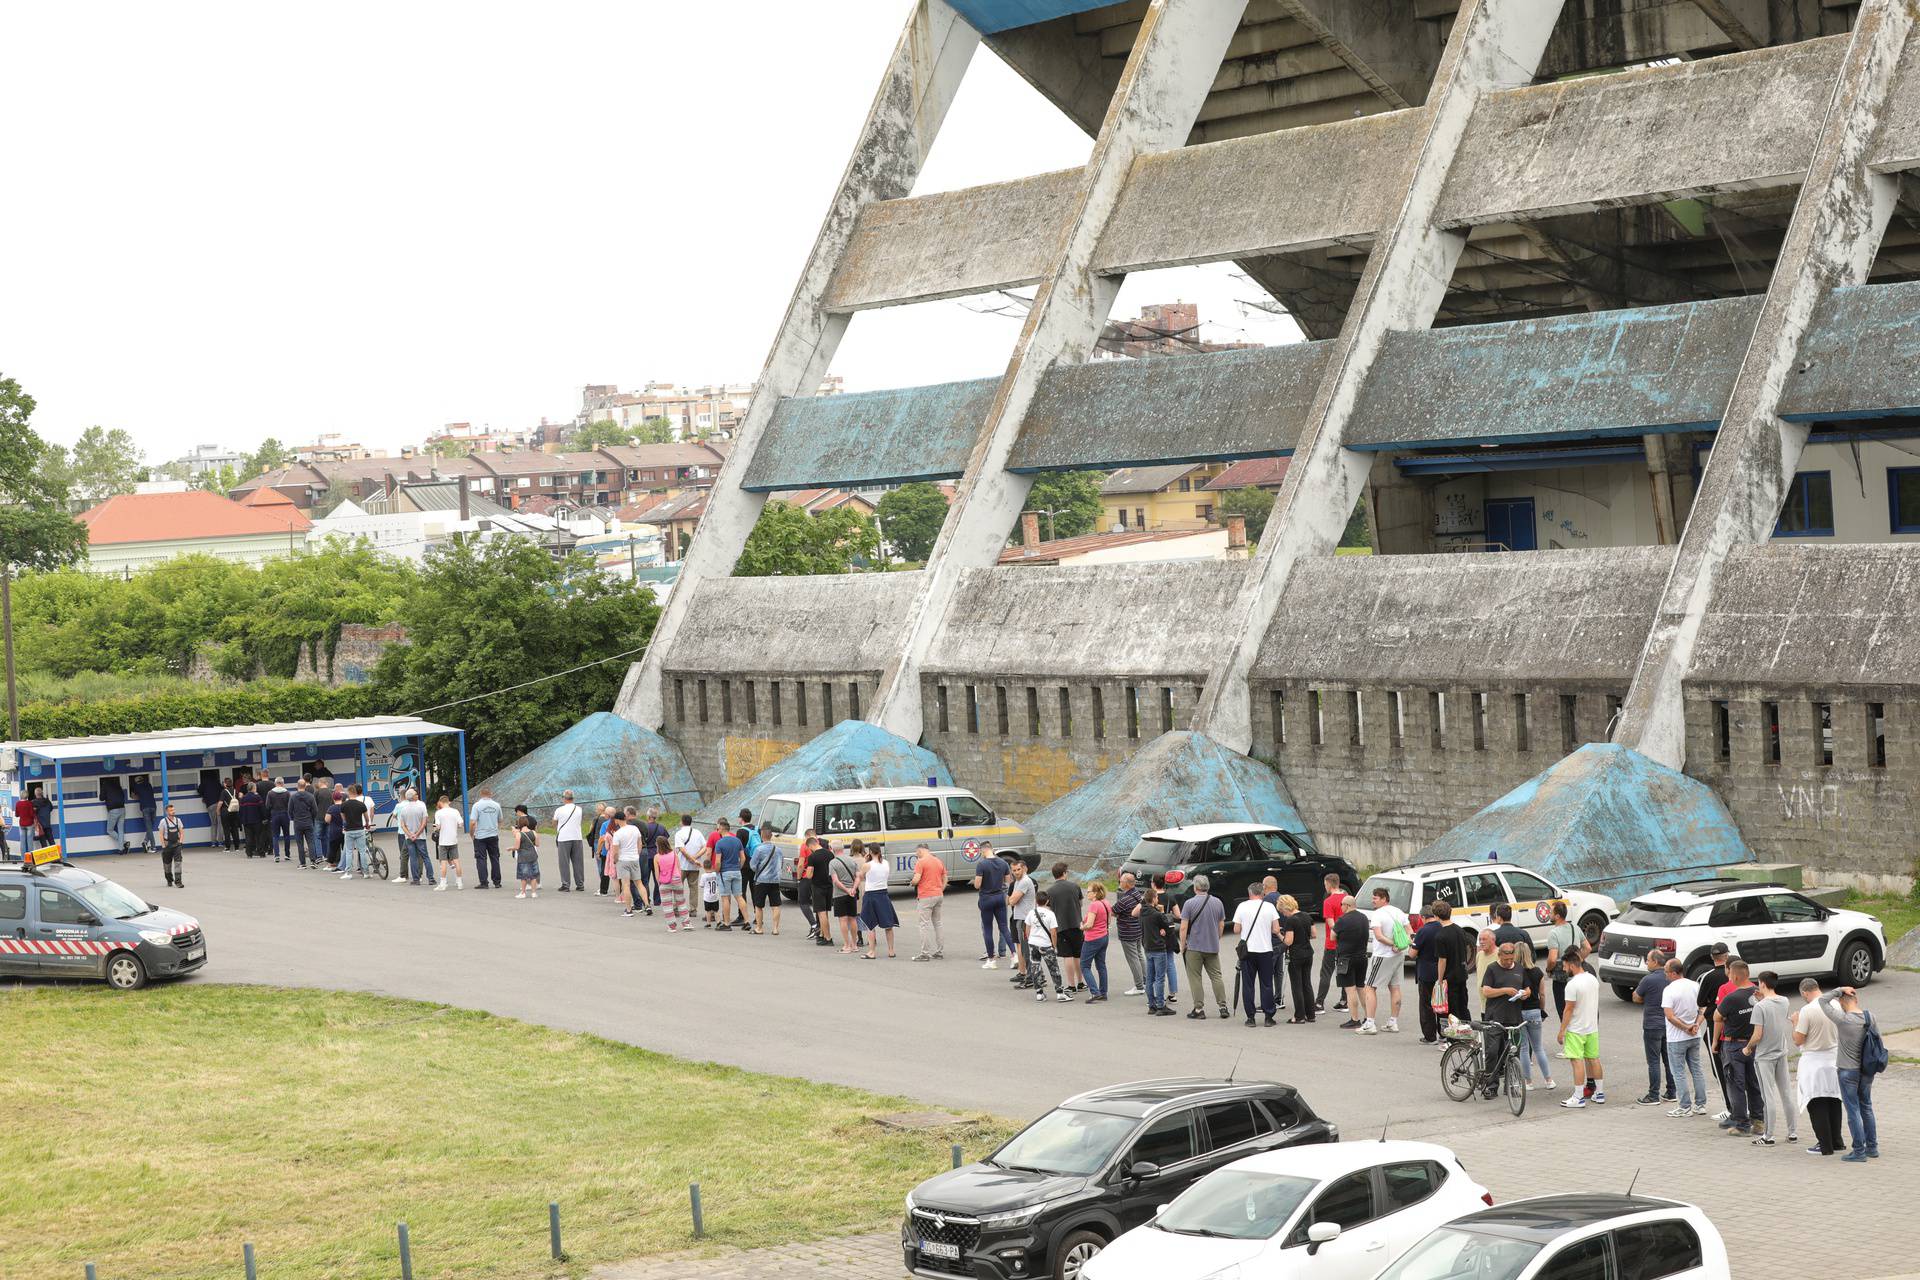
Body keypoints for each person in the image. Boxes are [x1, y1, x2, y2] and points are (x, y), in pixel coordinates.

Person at [1820, 985, 1879, 1161]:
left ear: (1841, 1003)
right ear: (1856, 1000)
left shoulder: (1843, 1019)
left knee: (1853, 1110)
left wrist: (1838, 989)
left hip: (1848, 1071)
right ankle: (1872, 1147)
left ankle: (1859, 1152)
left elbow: (1822, 1000)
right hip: (1867, 1071)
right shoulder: (1870, 1017)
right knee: (1867, 1107)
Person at [1743, 970, 1798, 1147]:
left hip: (1765, 1056)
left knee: (1768, 1096)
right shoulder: (1784, 1000)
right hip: (1781, 1051)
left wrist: (1748, 1047)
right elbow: (1775, 1016)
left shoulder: (1759, 1007)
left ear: (1763, 984)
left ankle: (1768, 1136)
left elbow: (1757, 1034)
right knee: (1786, 1093)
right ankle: (1792, 1133)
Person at [1715, 960, 1765, 1136]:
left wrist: (1715, 1042)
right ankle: (1759, 1122)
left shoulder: (1732, 998)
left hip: (1734, 1045)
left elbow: (1716, 1017)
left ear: (1735, 976)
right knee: (1754, 1084)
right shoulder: (1760, 994)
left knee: (1736, 1085)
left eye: (1730, 975)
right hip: (1754, 1044)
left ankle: (1742, 1124)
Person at [1795, 978, 1844, 1155]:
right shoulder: (1835, 1004)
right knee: (1834, 1100)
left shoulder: (1807, 1010)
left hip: (1814, 1061)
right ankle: (1837, 1141)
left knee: (1817, 1102)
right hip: (1834, 1057)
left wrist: (1794, 1023)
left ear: (1804, 992)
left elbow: (1799, 1039)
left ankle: (1825, 1145)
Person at [1558, 950, 1606, 1107]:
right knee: (1594, 1059)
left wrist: (1561, 1030)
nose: (1564, 969)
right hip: (1592, 1027)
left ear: (1572, 965)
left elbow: (1568, 1009)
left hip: (1576, 1029)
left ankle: (1578, 1097)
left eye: (1565, 966)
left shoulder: (1572, 985)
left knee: (1576, 1061)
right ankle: (1599, 1093)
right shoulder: (1592, 979)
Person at [1178, 875, 1230, 1020]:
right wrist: (1217, 938)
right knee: (1216, 976)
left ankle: (1199, 1008)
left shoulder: (1189, 903)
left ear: (1195, 887)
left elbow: (1183, 927)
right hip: (1212, 946)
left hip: (1194, 946)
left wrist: (1183, 945)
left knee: (1195, 978)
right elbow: (1221, 924)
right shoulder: (1218, 902)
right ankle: (1223, 1006)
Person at [1479, 939, 1527, 1095]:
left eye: (1511, 959)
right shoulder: (1492, 969)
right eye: (1505, 959)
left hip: (1514, 1019)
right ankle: (1491, 1087)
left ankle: (1512, 1086)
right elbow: (1486, 991)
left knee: (1514, 1053)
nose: (1508, 962)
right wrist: (1505, 990)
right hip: (1495, 1017)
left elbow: (1527, 988)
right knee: (1492, 1052)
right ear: (1499, 955)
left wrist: (1525, 994)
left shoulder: (1519, 969)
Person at [1229, 881, 1280, 1027]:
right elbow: (1275, 929)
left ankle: (1250, 1017)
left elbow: (1236, 930)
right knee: (1266, 983)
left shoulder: (1242, 906)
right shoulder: (1269, 906)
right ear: (1262, 893)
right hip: (1265, 949)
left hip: (1248, 951)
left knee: (1248, 984)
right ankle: (1268, 1016)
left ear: (1249, 893)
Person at [1660, 958, 1706, 1117]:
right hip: (1695, 1035)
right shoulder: (1695, 985)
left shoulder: (1669, 990)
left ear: (1673, 973)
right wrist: (1696, 1025)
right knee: (1697, 1069)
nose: (1665, 974)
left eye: (1666, 971)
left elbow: (1669, 1016)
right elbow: (1703, 1008)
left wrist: (1686, 1028)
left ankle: (1684, 1106)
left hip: (1676, 1038)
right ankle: (1700, 1104)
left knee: (1678, 1072)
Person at [1632, 949, 1677, 1106]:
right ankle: (1672, 1092)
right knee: (1668, 1059)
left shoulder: (1648, 980)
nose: (1646, 963)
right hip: (1670, 1024)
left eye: (1648, 960)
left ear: (1656, 962)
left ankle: (1653, 1095)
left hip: (1652, 1025)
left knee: (1653, 1061)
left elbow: (1636, 997)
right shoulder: (1671, 978)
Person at [1359, 886, 1407, 1035]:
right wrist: (1400, 946)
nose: (1373, 900)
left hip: (1382, 955)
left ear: (1384, 899)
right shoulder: (1398, 911)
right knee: (1395, 987)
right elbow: (1409, 931)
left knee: (1369, 987)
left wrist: (1392, 944)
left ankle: (1370, 1023)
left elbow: (1378, 936)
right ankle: (1393, 1022)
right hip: (1398, 955)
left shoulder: (1378, 914)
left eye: (1375, 898)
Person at [1696, 943, 1733, 1113]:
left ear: (1712, 957)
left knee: (1718, 1068)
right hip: (1735, 1025)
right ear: (1727, 956)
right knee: (1737, 1067)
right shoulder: (1736, 974)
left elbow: (1701, 1001)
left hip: (1714, 1025)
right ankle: (1741, 1105)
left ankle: (1730, 1107)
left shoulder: (1708, 976)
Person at [1517, 946, 1554, 1090]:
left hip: (1519, 1012)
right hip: (1534, 1011)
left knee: (1524, 1048)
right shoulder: (1537, 972)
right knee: (1538, 1047)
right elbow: (1542, 994)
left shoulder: (1515, 972)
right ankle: (1549, 1080)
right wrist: (1541, 1010)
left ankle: (1528, 1082)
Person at [1333, 894, 1372, 1029]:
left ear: (1347, 905)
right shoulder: (1363, 918)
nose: (1341, 907)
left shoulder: (1342, 920)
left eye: (1342, 905)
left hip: (1346, 958)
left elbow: (1333, 936)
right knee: (1361, 988)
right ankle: (1368, 1017)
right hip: (1362, 957)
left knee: (1350, 990)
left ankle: (1354, 1019)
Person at [973, 844, 1013, 967]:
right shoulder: (1003, 863)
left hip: (987, 898)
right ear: (992, 849)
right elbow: (1008, 880)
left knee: (988, 929)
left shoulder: (982, 864)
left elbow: (977, 885)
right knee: (1004, 927)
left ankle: (991, 959)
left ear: (983, 850)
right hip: (1000, 897)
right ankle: (1015, 954)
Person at [1434, 901, 1470, 1038]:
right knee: (1463, 1004)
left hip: (1450, 976)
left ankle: (1454, 1035)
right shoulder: (1460, 930)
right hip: (1462, 973)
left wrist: (1439, 979)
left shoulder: (1441, 936)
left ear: (1437, 916)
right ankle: (1467, 1030)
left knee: (1451, 1008)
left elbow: (1442, 960)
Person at [1025, 889, 1069, 1002]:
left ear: (1036, 900)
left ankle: (1039, 993)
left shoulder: (1031, 912)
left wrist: (1030, 939)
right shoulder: (1050, 914)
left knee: (1035, 967)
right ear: (1047, 901)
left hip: (1033, 943)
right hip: (1046, 944)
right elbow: (1053, 932)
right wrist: (1054, 946)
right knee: (1053, 968)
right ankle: (1059, 992)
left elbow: (1027, 929)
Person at [1048, 864, 1085, 994]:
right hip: (1077, 924)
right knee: (1077, 955)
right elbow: (1080, 903)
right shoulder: (1075, 886)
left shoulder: (1050, 891)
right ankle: (1081, 982)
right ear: (1064, 873)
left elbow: (1049, 909)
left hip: (1061, 927)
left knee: (1067, 956)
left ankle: (1071, 985)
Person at [1140, 884, 1177, 1016]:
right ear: (1154, 898)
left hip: (1147, 947)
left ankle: (1152, 1005)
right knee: (1160, 978)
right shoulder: (1156, 914)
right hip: (1158, 948)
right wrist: (1162, 915)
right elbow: (1169, 927)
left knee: (1150, 978)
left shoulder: (1142, 913)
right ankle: (1161, 1005)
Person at [858, 845, 899, 958]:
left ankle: (872, 952)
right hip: (883, 894)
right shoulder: (885, 863)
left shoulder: (867, 865)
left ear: (870, 852)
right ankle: (891, 950)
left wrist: (866, 860)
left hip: (871, 894)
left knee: (870, 925)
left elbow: (861, 876)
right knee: (888, 925)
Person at [1280, 894, 1315, 1022]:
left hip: (1296, 955)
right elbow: (1314, 934)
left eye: (1282, 911)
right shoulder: (1307, 916)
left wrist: (1279, 934)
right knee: (1307, 984)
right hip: (1308, 953)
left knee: (1297, 986)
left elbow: (1288, 941)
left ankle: (1299, 1016)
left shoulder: (1291, 920)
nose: (1283, 914)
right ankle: (1311, 1014)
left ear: (1286, 907)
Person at [1412, 904, 1444, 1043]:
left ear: (1423, 917)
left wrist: (1411, 944)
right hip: (1441, 971)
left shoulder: (1423, 931)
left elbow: (1413, 954)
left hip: (1426, 972)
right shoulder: (1443, 927)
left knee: (1426, 1005)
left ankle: (1430, 1036)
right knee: (1442, 1004)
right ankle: (1444, 1033)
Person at [1316, 873, 1347, 1013]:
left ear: (1328, 884)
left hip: (1332, 943)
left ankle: (1319, 1004)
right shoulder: (1347, 898)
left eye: (1325, 884)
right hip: (1347, 943)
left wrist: (1338, 935)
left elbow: (1331, 923)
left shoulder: (1328, 901)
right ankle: (1344, 1001)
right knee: (1344, 972)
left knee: (1326, 973)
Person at [1544, 902, 1579, 1019]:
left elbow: (1553, 959)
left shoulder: (1553, 933)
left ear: (1557, 916)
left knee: (1564, 1011)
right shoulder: (1575, 928)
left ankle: (1567, 1033)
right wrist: (1578, 960)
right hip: (1576, 973)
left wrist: (1548, 970)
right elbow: (1588, 947)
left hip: (1561, 978)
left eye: (1550, 912)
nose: (1549, 914)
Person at [909, 842, 945, 960]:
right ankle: (939, 951)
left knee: (923, 924)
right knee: (938, 923)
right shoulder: (938, 861)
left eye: (916, 853)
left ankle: (925, 953)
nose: (916, 855)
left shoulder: (921, 862)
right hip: (938, 895)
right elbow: (945, 877)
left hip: (926, 896)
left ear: (920, 850)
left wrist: (912, 882)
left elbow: (916, 879)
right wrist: (940, 889)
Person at [710, 819, 747, 931]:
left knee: (725, 897)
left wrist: (717, 870)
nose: (717, 830)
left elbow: (717, 861)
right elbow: (743, 858)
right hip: (736, 871)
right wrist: (738, 867)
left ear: (721, 829)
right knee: (739, 896)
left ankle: (726, 923)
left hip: (724, 872)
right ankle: (747, 921)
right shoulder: (737, 841)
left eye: (718, 828)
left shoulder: (719, 843)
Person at [1114, 871, 1147, 997]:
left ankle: (1139, 986)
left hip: (1128, 932)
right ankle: (1145, 980)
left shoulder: (1125, 899)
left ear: (1127, 884)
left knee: (1133, 959)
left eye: (1121, 881)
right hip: (1137, 929)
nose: (1120, 883)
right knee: (1139, 955)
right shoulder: (1137, 894)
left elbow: (1113, 911)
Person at [1080, 882, 1113, 1003]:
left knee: (1084, 966)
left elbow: (1089, 924)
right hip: (1104, 936)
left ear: (1095, 893)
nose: (1087, 893)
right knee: (1101, 965)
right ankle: (1103, 992)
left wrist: (1082, 928)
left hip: (1092, 938)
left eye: (1089, 891)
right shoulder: (1106, 903)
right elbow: (1109, 920)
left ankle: (1095, 992)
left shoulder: (1094, 905)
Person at [1007, 857, 1036, 987]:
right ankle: (1033, 976)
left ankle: (1031, 978)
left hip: (1025, 920)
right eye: (1014, 870)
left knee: (1026, 949)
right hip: (1020, 918)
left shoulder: (1024, 881)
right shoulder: (1018, 881)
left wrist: (1013, 899)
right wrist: (1013, 899)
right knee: (1025, 949)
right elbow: (1010, 900)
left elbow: (1012, 901)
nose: (1016, 872)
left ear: (1023, 869)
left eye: (1018, 869)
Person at [828, 840, 862, 953]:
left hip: (840, 894)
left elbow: (835, 881)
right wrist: (853, 889)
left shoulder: (833, 863)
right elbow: (858, 877)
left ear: (832, 849)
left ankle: (846, 945)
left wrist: (846, 890)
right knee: (853, 918)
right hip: (852, 894)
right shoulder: (852, 860)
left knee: (843, 919)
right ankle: (854, 945)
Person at [750, 821, 783, 935]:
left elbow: (753, 866)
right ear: (771, 836)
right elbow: (781, 864)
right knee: (776, 905)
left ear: (761, 836)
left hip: (761, 880)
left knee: (759, 905)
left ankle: (759, 928)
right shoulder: (778, 850)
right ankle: (775, 928)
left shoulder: (758, 849)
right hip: (775, 880)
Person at [395, 789, 433, 885]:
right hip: (420, 836)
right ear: (414, 796)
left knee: (413, 858)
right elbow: (424, 822)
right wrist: (417, 834)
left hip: (409, 838)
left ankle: (416, 879)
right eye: (416, 794)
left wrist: (409, 835)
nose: (417, 795)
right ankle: (431, 878)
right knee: (425, 857)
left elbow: (402, 825)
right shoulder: (421, 807)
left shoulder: (403, 809)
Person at [805, 834, 835, 947]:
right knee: (825, 913)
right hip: (829, 885)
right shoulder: (830, 854)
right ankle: (823, 934)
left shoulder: (812, 857)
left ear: (811, 845)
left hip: (818, 886)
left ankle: (828, 938)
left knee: (821, 913)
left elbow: (809, 874)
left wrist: (807, 871)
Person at [469, 788, 503, 890]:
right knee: (495, 858)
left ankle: (484, 882)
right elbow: (500, 820)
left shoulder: (477, 805)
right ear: (491, 794)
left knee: (481, 859)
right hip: (493, 835)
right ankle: (497, 882)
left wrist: (471, 834)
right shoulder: (497, 805)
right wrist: (496, 829)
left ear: (481, 794)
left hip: (480, 836)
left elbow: (473, 822)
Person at [551, 791, 585, 893]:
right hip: (577, 836)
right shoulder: (579, 809)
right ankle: (580, 884)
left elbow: (554, 823)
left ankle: (566, 884)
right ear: (573, 798)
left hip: (564, 837)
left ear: (564, 798)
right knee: (578, 862)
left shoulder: (559, 810)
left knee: (564, 862)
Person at [430, 795, 464, 890]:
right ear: (448, 802)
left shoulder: (439, 813)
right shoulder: (455, 811)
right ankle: (459, 882)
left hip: (443, 841)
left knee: (443, 862)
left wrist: (436, 828)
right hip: (453, 840)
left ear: (441, 802)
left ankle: (443, 883)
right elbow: (460, 824)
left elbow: (438, 826)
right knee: (456, 861)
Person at [654, 835, 687, 932]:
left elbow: (657, 873)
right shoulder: (674, 854)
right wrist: (679, 879)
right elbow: (679, 868)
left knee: (667, 904)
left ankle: (672, 926)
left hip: (664, 882)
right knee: (681, 902)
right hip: (676, 879)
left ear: (658, 845)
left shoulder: (656, 857)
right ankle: (686, 923)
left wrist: (659, 883)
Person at [338, 784, 372, 879]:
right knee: (362, 851)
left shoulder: (344, 804)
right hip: (360, 830)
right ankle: (366, 873)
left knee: (349, 851)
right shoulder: (361, 804)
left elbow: (343, 817)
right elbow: (366, 817)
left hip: (349, 830)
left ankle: (348, 873)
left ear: (349, 792)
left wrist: (347, 822)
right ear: (356, 793)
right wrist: (368, 823)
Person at [288, 778, 320, 868]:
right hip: (308, 822)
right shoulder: (310, 796)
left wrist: (293, 818)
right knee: (310, 842)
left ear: (297, 786)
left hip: (298, 823)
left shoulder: (293, 797)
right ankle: (313, 861)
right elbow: (315, 810)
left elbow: (289, 810)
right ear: (305, 786)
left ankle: (302, 863)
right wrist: (311, 818)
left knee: (300, 843)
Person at [508, 814, 540, 897]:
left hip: (523, 856)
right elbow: (537, 844)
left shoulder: (519, 834)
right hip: (533, 855)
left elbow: (517, 847)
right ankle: (533, 893)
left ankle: (523, 892)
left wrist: (510, 848)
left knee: (524, 876)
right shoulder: (533, 832)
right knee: (533, 875)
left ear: (519, 824)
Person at [158, 803, 185, 888]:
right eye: (171, 810)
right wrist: (163, 846)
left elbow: (181, 832)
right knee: (167, 865)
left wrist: (180, 842)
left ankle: (178, 881)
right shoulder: (163, 821)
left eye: (173, 810)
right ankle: (169, 880)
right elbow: (161, 834)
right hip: (167, 846)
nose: (173, 811)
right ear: (167, 812)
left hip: (177, 845)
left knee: (178, 863)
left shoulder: (178, 820)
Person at [131, 773, 158, 853]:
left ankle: (153, 847)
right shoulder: (149, 785)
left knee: (149, 828)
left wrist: (139, 797)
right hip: (153, 806)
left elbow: (133, 796)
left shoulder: (137, 786)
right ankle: (145, 841)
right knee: (151, 826)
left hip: (145, 807)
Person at [239, 781, 266, 858]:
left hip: (246, 821)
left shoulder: (243, 798)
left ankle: (249, 853)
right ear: (253, 788)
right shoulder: (257, 797)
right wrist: (264, 818)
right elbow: (262, 809)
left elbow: (241, 811)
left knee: (248, 837)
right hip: (257, 820)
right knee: (259, 837)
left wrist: (242, 820)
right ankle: (261, 852)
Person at [267, 777, 292, 862]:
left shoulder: (270, 793)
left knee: (275, 836)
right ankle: (287, 854)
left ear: (275, 783)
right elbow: (290, 806)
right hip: (285, 814)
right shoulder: (287, 793)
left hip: (274, 815)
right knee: (286, 835)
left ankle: (277, 855)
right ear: (282, 783)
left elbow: (267, 806)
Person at [100, 776, 128, 853]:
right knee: (121, 830)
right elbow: (123, 796)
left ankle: (124, 843)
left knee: (109, 830)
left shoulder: (105, 785)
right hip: (122, 809)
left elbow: (101, 797)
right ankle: (121, 849)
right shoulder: (117, 785)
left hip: (113, 810)